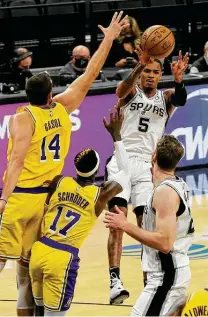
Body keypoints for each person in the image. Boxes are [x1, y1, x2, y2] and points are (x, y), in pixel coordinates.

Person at [0, 11, 129, 316]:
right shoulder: (61, 108)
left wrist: (4, 197)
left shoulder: (22, 117)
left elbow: (17, 160)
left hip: (21, 198)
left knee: (5, 260)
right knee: (26, 268)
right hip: (46, 199)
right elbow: (91, 74)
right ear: (51, 94)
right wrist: (108, 38)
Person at [105, 49, 189, 305]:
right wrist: (137, 68)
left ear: (160, 74)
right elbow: (120, 91)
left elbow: (182, 99)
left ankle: (149, 279)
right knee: (118, 220)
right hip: (122, 160)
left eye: (154, 72)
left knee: (146, 225)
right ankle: (114, 281)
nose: (150, 76)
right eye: (147, 72)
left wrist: (178, 79)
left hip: (146, 167)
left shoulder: (166, 98)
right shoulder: (132, 91)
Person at [29, 109, 129, 316]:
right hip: (62, 258)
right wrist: (116, 136)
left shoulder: (59, 182)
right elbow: (126, 173)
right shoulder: (99, 196)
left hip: (39, 251)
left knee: (38, 311)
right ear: (97, 170)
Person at [105, 134, 195, 316]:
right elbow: (126, 168)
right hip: (169, 274)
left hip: (167, 276)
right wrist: (117, 138)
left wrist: (125, 225)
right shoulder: (175, 185)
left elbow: (165, 243)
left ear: (153, 156)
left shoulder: (165, 193)